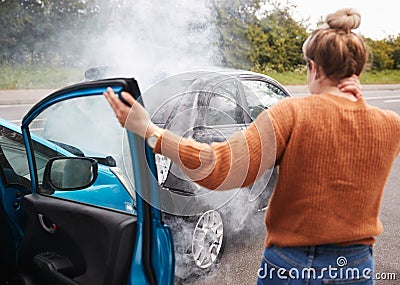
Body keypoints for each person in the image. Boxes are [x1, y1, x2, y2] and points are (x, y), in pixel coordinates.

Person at [104, 8, 400, 284]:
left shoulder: (291, 114)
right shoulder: (390, 125)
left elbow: (217, 168)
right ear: (358, 71)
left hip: (291, 264)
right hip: (356, 266)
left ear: (314, 68)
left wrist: (149, 131)